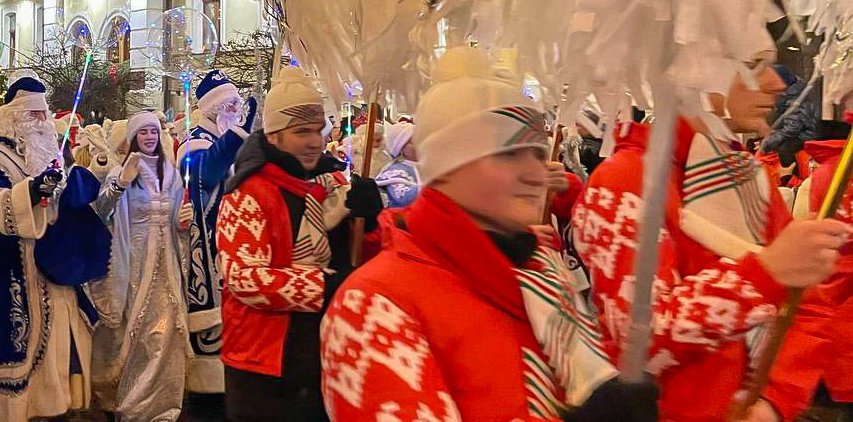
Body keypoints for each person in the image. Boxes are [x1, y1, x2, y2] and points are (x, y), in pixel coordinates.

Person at [320, 47, 657, 422]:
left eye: (536, 151)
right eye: (508, 155)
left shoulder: (541, 269)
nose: (536, 173)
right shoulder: (375, 303)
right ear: (447, 169)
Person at [571, 58, 853, 422]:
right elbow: (636, 343)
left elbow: (809, 300)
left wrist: (773, 401)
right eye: (752, 66)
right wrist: (763, 274)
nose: (775, 83)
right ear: (691, 70)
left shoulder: (748, 177)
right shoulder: (625, 179)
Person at [217, 66, 382, 422]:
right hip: (264, 361)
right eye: (301, 132)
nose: (315, 141)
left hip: (326, 350)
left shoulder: (335, 182)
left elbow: (361, 258)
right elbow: (244, 279)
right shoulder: (248, 190)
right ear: (274, 135)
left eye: (318, 130)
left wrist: (368, 225)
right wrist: (326, 286)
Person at [0, 77, 107, 421]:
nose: (42, 123)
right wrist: (31, 191)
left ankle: (57, 406)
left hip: (56, 271)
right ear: (13, 116)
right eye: (33, 115)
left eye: (44, 115)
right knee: (20, 348)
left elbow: (73, 199)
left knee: (63, 348)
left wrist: (92, 174)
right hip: (16, 273)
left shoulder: (49, 154)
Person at [90, 111, 195, 421]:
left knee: (167, 332)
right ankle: (134, 402)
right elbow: (102, 210)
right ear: (134, 138)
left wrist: (183, 221)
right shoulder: (122, 172)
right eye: (143, 133)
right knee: (139, 332)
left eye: (153, 132)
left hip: (168, 264)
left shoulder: (171, 173)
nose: (149, 137)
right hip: (134, 261)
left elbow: (177, 219)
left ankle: (164, 406)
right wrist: (121, 183)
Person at [178, 69, 257, 393]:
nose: (236, 109)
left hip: (236, 243)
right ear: (212, 108)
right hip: (207, 247)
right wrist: (239, 133)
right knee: (211, 335)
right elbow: (205, 173)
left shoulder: (233, 141)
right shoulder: (194, 141)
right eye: (230, 104)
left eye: (238, 103)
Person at [373, 120, 420, 207]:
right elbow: (404, 198)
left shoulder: (428, 165)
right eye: (411, 142)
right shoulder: (395, 170)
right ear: (400, 148)